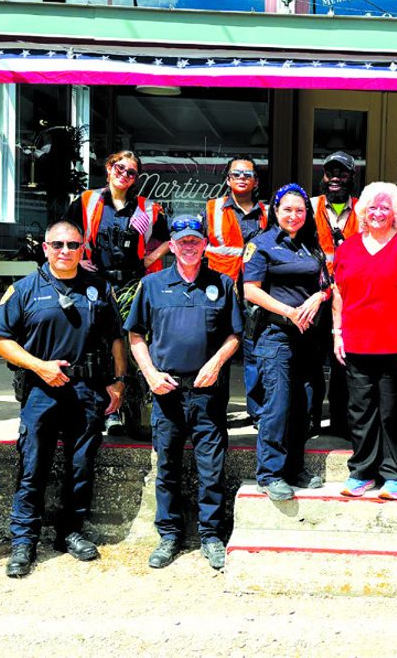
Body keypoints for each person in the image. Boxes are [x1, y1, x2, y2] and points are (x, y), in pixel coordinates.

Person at [0, 221, 126, 578]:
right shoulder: (23, 290)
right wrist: (40, 366)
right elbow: (0, 339)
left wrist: (118, 382)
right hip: (41, 391)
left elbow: (115, 338)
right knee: (32, 466)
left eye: (73, 244)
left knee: (80, 466)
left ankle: (70, 533)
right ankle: (24, 541)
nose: (65, 250)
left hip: (88, 391)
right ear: (45, 248)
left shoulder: (99, 287)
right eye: (58, 244)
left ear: (83, 249)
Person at [125, 215, 242, 571]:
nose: (189, 246)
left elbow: (235, 335)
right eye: (182, 241)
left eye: (195, 240)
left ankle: (211, 535)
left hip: (207, 392)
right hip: (167, 391)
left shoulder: (222, 284)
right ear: (171, 246)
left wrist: (216, 364)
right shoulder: (153, 284)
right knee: (168, 468)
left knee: (211, 468)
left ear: (204, 244)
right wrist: (149, 374)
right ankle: (170, 535)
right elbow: (135, 335)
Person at [332, 182, 397, 500]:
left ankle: (394, 474)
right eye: (372, 207)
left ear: (395, 214)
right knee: (359, 411)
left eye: (385, 207)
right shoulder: (347, 248)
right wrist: (337, 333)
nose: (378, 213)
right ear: (362, 211)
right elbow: (338, 294)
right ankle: (361, 472)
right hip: (357, 343)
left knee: (394, 412)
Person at [64, 149, 170, 436]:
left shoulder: (148, 209)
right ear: (109, 168)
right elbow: (64, 232)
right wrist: (77, 256)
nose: (124, 175)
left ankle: (133, 413)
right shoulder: (86, 202)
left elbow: (170, 240)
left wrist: (149, 258)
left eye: (131, 172)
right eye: (120, 168)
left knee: (134, 345)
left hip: (132, 284)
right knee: (97, 345)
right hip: (94, 284)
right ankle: (103, 412)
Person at [243, 184, 331, 502]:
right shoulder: (261, 244)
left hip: (307, 337)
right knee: (277, 406)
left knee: (302, 406)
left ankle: (294, 469)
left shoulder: (311, 246)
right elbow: (250, 290)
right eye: (287, 210)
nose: (293, 215)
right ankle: (270, 474)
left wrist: (319, 297)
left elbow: (326, 285)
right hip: (275, 335)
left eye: (299, 210)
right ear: (276, 211)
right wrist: (289, 312)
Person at [205, 156, 268, 424]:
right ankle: (215, 412)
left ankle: (257, 413)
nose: (241, 178)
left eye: (247, 174)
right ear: (228, 179)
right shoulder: (211, 209)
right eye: (236, 174)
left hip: (255, 292)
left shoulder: (268, 213)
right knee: (218, 350)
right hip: (220, 291)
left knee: (254, 351)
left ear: (256, 181)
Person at [311, 151, 361, 437]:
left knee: (344, 364)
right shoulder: (309, 206)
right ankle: (312, 420)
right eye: (330, 172)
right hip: (315, 299)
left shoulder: (364, 210)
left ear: (352, 177)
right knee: (311, 363)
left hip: (350, 301)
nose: (335, 178)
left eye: (342, 173)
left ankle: (342, 423)